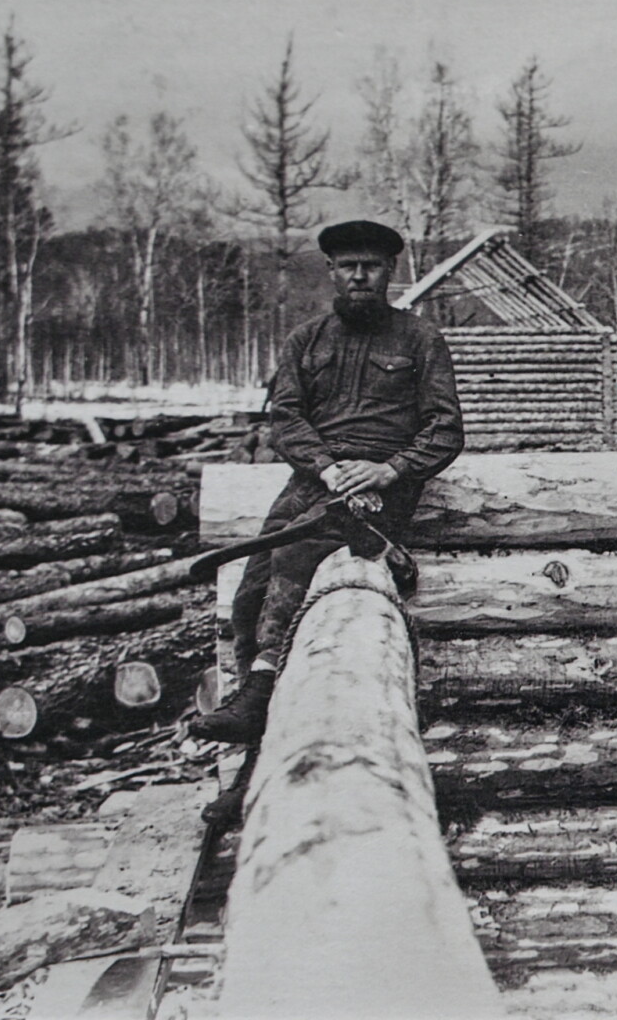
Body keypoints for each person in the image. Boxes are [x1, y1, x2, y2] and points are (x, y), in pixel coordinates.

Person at [193, 220, 464, 822]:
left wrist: (390, 470)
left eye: (370, 265)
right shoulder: (306, 340)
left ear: (389, 272)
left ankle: (261, 689)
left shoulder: (420, 340)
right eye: (348, 266)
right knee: (249, 595)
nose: (359, 275)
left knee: (296, 562)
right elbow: (286, 419)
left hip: (382, 489)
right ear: (331, 272)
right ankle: (250, 767)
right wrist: (324, 464)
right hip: (315, 479)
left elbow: (445, 427)